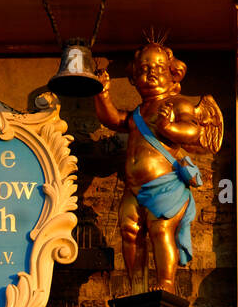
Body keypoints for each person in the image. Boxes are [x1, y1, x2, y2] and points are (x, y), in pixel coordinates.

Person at [91, 41, 222, 293]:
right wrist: (102, 95)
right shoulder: (139, 112)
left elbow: (192, 130)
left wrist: (168, 128)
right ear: (134, 77)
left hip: (165, 185)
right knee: (129, 232)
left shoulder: (178, 103)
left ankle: (167, 284)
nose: (150, 73)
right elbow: (113, 119)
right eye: (143, 68)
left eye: (158, 68)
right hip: (133, 188)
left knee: (161, 230)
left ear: (173, 73)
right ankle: (136, 287)